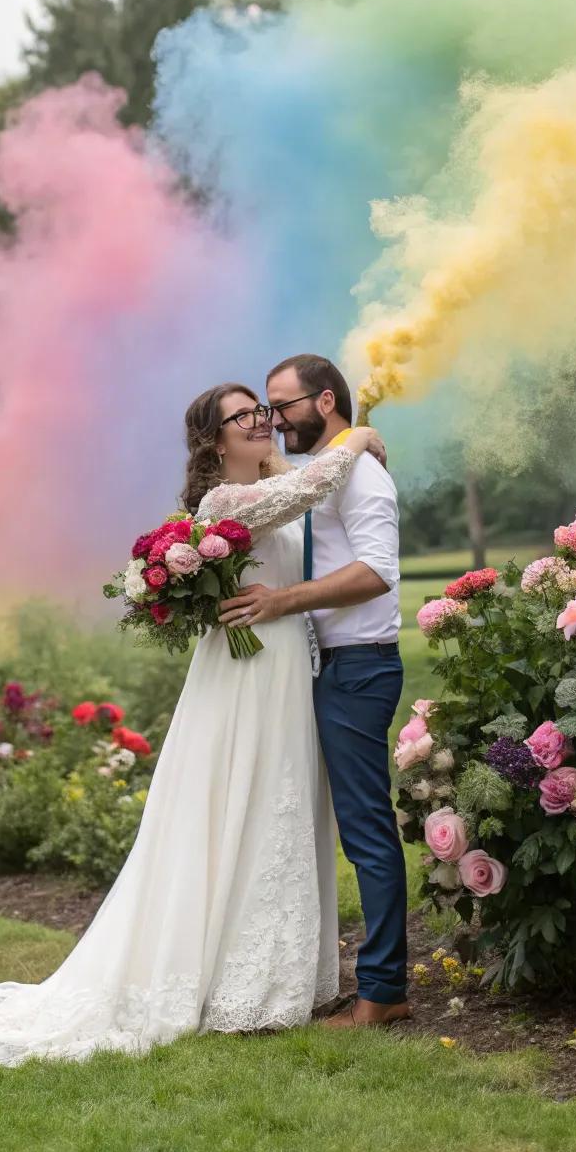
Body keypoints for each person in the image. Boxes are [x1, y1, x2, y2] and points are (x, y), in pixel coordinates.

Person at [0, 383, 382, 1066]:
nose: (259, 422)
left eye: (261, 411)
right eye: (242, 416)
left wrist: (329, 462)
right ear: (216, 441)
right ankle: (232, 984)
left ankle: (280, 979)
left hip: (284, 663)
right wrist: (357, 436)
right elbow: (310, 489)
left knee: (282, 810)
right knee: (240, 804)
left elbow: (305, 486)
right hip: (245, 675)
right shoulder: (222, 501)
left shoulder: (276, 477)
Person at [220, 354, 408, 1028]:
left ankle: (383, 991)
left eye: (283, 405)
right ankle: (358, 980)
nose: (274, 420)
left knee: (366, 831)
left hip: (360, 667)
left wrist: (284, 602)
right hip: (333, 666)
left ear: (325, 402)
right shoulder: (327, 470)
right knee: (347, 828)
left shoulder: (361, 479)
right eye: (264, 409)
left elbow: (376, 573)